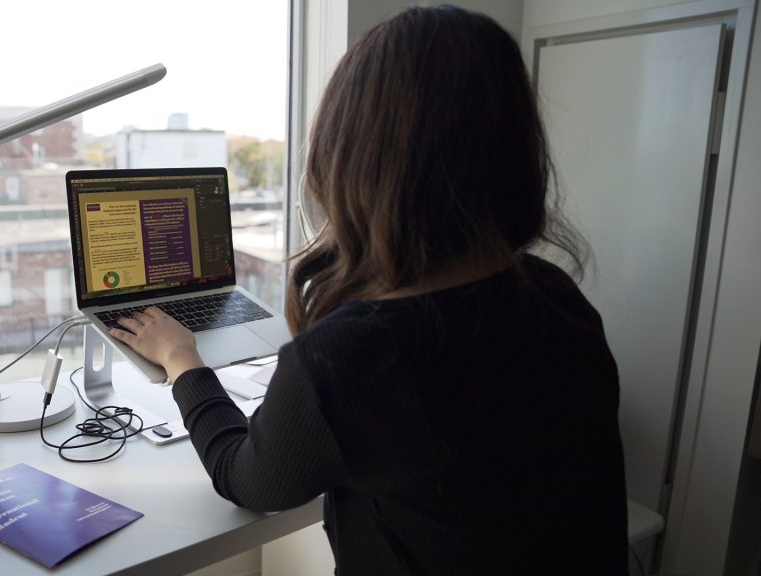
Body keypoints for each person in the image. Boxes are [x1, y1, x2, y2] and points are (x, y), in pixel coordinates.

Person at [109, 4, 629, 575]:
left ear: (351, 157)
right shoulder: (556, 297)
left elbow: (246, 478)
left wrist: (182, 359)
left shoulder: (350, 359)